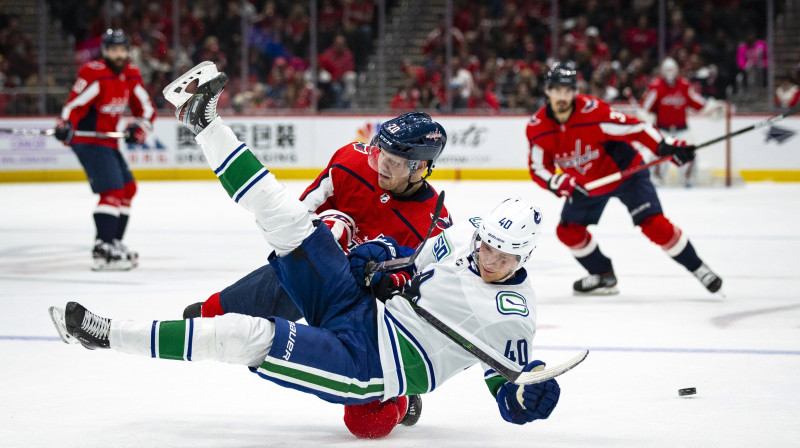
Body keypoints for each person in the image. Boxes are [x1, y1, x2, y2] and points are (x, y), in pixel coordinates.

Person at [49, 65, 561, 439]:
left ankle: (111, 335)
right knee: (286, 227)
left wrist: (521, 397)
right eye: (487, 242)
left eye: (505, 254)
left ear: (422, 168)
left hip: (370, 354)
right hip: (346, 290)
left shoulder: (502, 299)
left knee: (334, 397)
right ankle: (204, 121)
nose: (489, 257)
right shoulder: (452, 234)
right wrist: (376, 254)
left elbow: (505, 376)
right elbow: (324, 226)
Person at [182, 108, 452, 435]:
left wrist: (388, 279)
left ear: (420, 168)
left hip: (364, 312)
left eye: (393, 162)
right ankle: (217, 311)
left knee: (368, 424)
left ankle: (399, 391)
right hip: (325, 268)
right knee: (301, 268)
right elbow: (298, 217)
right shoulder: (350, 161)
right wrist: (328, 228)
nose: (381, 164)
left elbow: (425, 296)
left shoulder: (433, 227)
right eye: (380, 152)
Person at [526, 62, 722, 296]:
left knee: (655, 226)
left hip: (626, 174)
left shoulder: (593, 112)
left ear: (574, 92)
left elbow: (636, 128)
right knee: (568, 231)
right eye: (557, 90)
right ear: (547, 91)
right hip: (587, 186)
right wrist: (559, 183)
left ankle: (699, 268)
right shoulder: (538, 128)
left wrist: (664, 147)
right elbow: (539, 168)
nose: (562, 96)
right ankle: (603, 275)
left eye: (568, 90)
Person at [54, 29, 156, 271]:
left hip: (108, 141)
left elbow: (147, 109)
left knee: (128, 189)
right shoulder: (95, 72)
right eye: (113, 50)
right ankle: (102, 248)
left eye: (122, 49)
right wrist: (65, 125)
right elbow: (73, 106)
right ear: (105, 51)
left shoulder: (131, 73)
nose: (118, 54)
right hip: (87, 140)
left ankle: (114, 243)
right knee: (112, 191)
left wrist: (140, 127)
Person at [641, 57, 723, 187]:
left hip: (682, 130)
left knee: (689, 154)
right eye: (667, 69)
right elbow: (645, 108)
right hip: (662, 130)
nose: (670, 72)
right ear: (662, 71)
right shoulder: (656, 86)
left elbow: (698, 102)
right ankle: (657, 181)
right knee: (658, 156)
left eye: (672, 69)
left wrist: (711, 106)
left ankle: (687, 180)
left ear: (677, 70)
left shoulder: (684, 85)